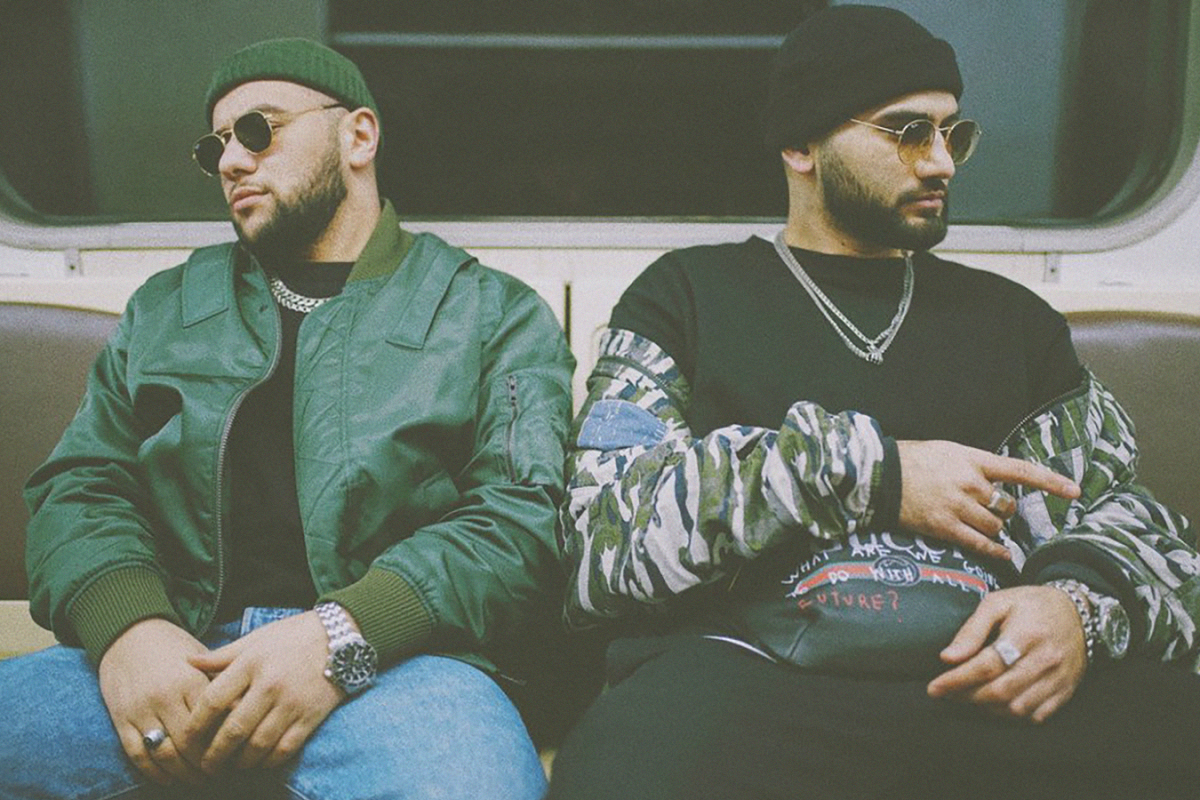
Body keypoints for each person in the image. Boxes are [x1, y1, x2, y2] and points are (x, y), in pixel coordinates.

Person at [549, 6, 1200, 800]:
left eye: (952, 134)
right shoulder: (687, 298)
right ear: (801, 146)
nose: (942, 163)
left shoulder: (1014, 324)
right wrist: (872, 475)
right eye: (908, 132)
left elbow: (1130, 519)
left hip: (981, 676)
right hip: (756, 679)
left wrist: (1076, 606)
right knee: (621, 774)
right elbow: (605, 544)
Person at [0, 38, 573, 799]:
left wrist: (342, 634)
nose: (233, 161)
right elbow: (81, 486)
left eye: (259, 130)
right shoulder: (167, 307)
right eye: (216, 147)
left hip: (396, 664)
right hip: (177, 648)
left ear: (358, 136)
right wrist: (130, 628)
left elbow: (520, 518)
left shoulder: (488, 311)